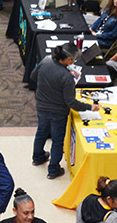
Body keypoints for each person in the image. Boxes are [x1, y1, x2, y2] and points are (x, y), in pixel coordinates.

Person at [29, 42, 98, 180]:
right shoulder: (67, 77)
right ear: (67, 59)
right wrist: (90, 107)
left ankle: (37, 157)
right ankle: (53, 169)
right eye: (73, 59)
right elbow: (71, 102)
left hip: (41, 106)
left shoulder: (46, 61)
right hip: (58, 112)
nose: (73, 62)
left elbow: (33, 77)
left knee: (41, 132)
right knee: (57, 140)